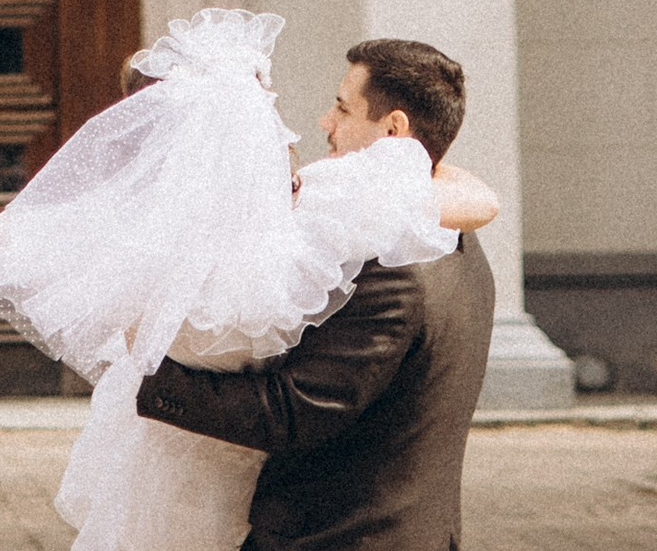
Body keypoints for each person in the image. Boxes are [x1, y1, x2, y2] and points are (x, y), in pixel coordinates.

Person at [0, 12, 498, 551]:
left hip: (291, 513)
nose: (314, 123)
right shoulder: (359, 231)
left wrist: (142, 368)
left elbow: (289, 411)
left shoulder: (342, 236)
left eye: (340, 108)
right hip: (228, 504)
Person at [137, 39, 498, 551]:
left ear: (393, 130)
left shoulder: (392, 269)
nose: (325, 121)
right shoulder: (458, 239)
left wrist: (150, 375)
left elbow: (297, 410)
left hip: (342, 537)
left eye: (343, 108)